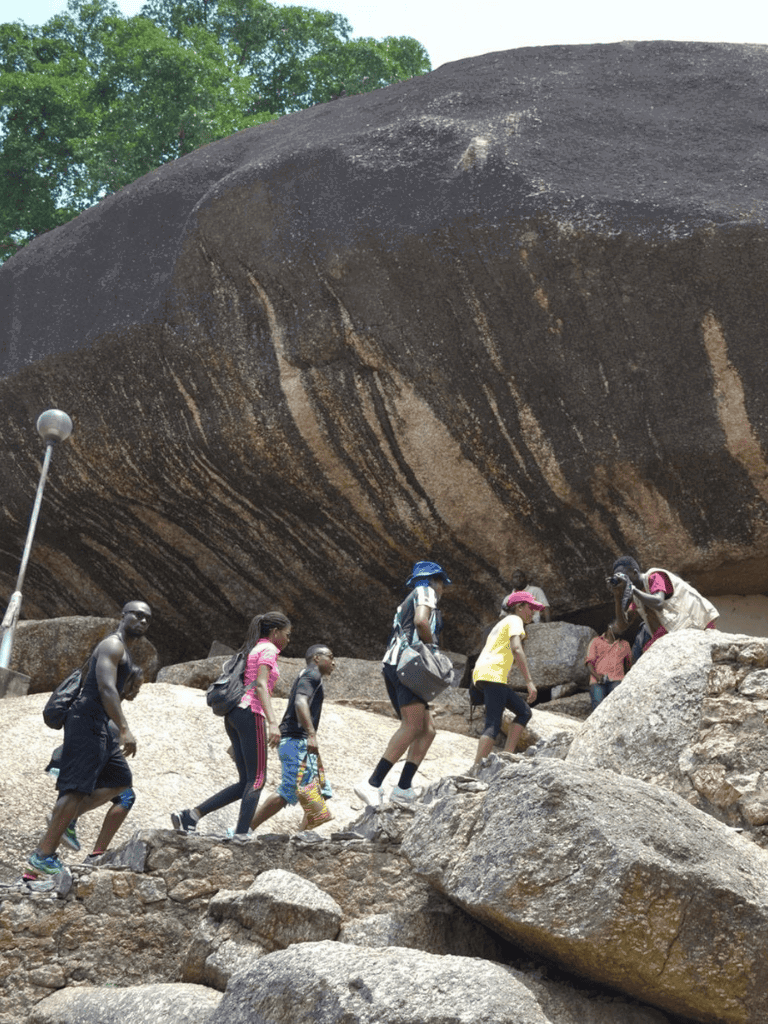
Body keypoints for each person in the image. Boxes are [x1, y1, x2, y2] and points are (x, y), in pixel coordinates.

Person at [27, 601, 151, 876]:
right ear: (123, 615)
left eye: (147, 618)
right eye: (137, 615)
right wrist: (125, 728)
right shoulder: (112, 645)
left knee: (120, 781)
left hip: (101, 726)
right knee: (75, 789)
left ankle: (68, 818)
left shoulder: (125, 652)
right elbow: (106, 688)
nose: (142, 621)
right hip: (86, 721)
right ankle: (42, 856)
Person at [171, 610, 290, 840]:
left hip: (234, 714)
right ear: (275, 632)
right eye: (286, 634)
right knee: (257, 779)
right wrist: (273, 722)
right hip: (251, 712)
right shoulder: (268, 649)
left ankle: (191, 816)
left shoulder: (253, 648)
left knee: (246, 781)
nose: (287, 640)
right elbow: (261, 686)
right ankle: (242, 835)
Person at [355, 560, 451, 806]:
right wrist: (433, 651)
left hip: (396, 663)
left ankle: (403, 788)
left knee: (427, 729)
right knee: (412, 725)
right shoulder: (426, 591)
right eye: (442, 583)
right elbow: (421, 622)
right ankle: (372, 783)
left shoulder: (410, 596)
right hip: (408, 664)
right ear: (435, 580)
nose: (443, 589)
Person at [42, 667, 144, 861]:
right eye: (137, 686)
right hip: (81, 765)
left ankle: (90, 853)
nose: (138, 691)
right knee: (66, 813)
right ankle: (45, 860)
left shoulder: (104, 704)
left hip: (74, 762)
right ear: (125, 684)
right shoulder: (106, 710)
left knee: (123, 794)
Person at [249, 644, 336, 833]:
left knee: (319, 789)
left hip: (299, 742)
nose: (334, 663)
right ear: (316, 658)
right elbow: (300, 701)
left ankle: (302, 837)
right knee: (288, 790)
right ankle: (245, 829)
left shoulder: (311, 676)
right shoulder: (311, 675)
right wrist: (311, 734)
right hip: (296, 741)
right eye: (330, 657)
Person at [471, 591, 540, 768]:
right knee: (493, 724)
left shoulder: (501, 624)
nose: (533, 613)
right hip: (493, 675)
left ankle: (507, 755)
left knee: (524, 712)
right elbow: (516, 649)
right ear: (519, 607)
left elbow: (505, 652)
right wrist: (529, 682)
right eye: (531, 608)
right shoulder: (515, 620)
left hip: (482, 675)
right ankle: (476, 768)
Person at [608, 556, 719, 654]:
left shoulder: (655, 576)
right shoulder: (637, 598)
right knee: (647, 651)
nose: (622, 581)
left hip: (697, 621)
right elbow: (622, 625)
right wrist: (617, 597)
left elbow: (659, 602)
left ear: (635, 573)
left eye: (624, 576)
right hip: (677, 629)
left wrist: (632, 589)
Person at [584, 622, 632, 710]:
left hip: (617, 680)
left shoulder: (625, 644)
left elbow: (629, 665)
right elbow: (589, 663)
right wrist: (597, 676)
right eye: (619, 626)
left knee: (617, 707)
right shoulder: (596, 641)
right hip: (598, 681)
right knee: (598, 708)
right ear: (610, 627)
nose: (621, 629)